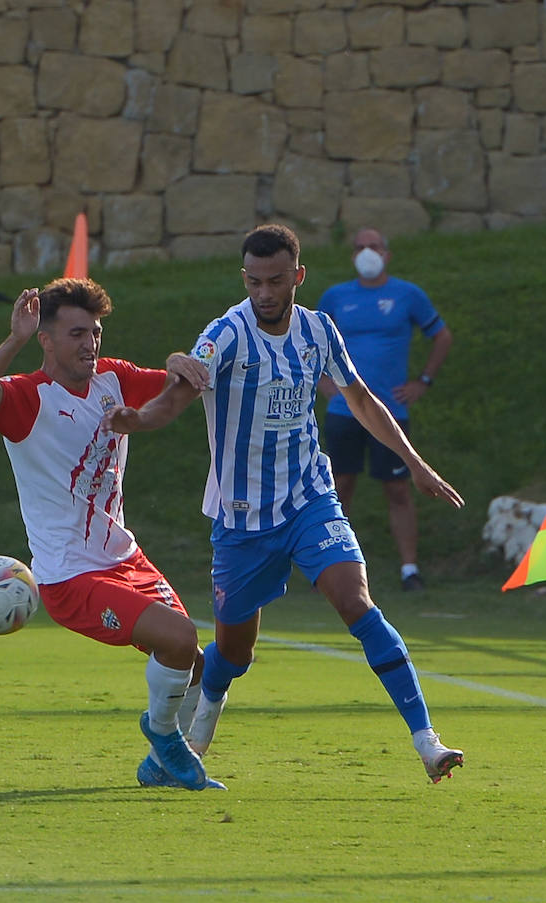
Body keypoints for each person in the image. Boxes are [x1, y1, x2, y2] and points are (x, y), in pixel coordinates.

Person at [104, 223, 467, 783]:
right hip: (242, 519)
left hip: (309, 499)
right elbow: (178, 393)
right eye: (254, 282)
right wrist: (139, 420)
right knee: (234, 652)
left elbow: (362, 399)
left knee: (357, 604)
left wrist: (417, 465)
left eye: (276, 281)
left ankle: (428, 743)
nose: (265, 293)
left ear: (297, 276)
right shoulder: (225, 334)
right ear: (244, 278)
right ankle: (197, 730)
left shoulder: (319, 331)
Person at [0, 277, 222, 791]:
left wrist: (175, 360)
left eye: (95, 332)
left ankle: (158, 766)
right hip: (70, 576)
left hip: (125, 558)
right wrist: (14, 338)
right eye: (77, 333)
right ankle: (162, 735)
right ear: (47, 339)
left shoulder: (113, 379)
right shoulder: (26, 399)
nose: (90, 343)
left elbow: (173, 387)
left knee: (196, 665)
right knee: (181, 638)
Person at [315, 227, 453, 592]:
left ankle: (410, 568)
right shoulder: (335, 297)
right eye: (359, 247)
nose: (366, 252)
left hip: (390, 409)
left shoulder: (407, 295)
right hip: (344, 411)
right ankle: (331, 566)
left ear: (387, 254)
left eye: (373, 246)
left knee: (398, 487)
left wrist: (423, 381)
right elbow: (308, 344)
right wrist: (323, 385)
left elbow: (441, 335)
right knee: (339, 485)